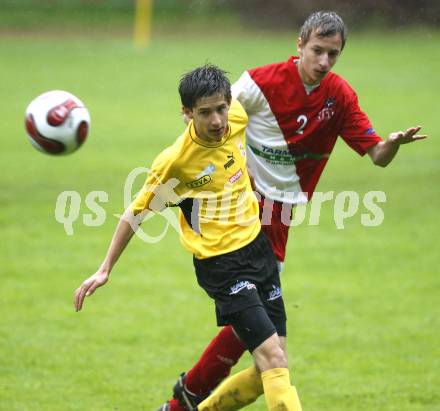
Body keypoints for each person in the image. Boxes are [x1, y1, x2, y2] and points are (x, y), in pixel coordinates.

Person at [159, 11, 427, 411]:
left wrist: (390, 143)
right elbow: (209, 123)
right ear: (299, 45)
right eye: (317, 51)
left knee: (262, 346)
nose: (324, 62)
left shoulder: (339, 96)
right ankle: (184, 401)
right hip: (247, 208)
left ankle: (187, 402)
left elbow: (377, 156)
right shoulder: (259, 83)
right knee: (259, 335)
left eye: (333, 54)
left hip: (282, 218)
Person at [74, 64, 303, 411]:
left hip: (259, 250)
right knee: (272, 358)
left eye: (221, 109)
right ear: (187, 114)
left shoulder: (236, 119)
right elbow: (135, 213)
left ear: (229, 103)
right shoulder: (175, 163)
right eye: (204, 113)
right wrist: (104, 268)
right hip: (222, 267)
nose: (216, 121)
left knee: (267, 370)